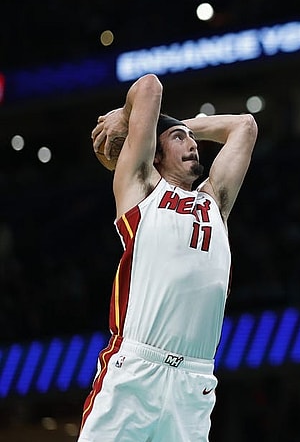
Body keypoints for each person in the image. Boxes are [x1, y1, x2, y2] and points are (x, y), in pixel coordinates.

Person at [80, 73, 258, 441]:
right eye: (179, 139)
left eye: (194, 140)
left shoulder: (215, 202)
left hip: (193, 383)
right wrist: (130, 118)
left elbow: (245, 125)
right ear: (155, 154)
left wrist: (179, 126)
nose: (193, 144)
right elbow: (149, 87)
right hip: (135, 371)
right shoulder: (141, 189)